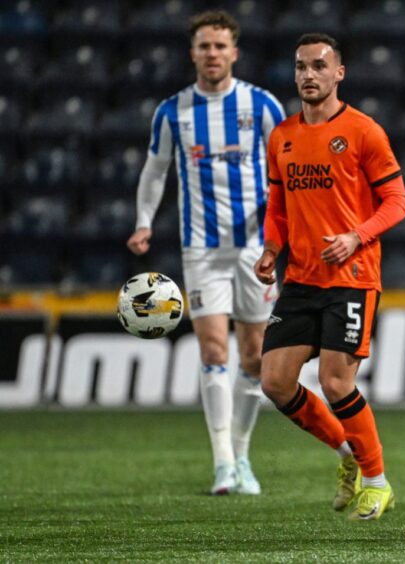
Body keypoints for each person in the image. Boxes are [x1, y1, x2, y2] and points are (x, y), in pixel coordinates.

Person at [127, 10, 285, 495]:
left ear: (233, 52)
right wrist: (143, 222)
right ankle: (222, 463)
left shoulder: (261, 104)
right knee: (214, 349)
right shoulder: (173, 111)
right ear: (192, 53)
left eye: (220, 46)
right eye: (204, 46)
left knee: (254, 356)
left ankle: (241, 455)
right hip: (202, 249)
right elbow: (155, 171)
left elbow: (288, 166)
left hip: (257, 249)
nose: (212, 54)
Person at [254, 33, 405, 520]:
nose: (308, 74)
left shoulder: (364, 131)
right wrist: (270, 250)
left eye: (319, 66)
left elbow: (398, 202)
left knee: (335, 382)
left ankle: (378, 481)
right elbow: (277, 207)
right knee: (275, 383)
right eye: (301, 66)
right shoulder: (282, 136)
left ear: (338, 73)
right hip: (301, 278)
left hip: (352, 276)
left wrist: (356, 236)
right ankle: (347, 457)